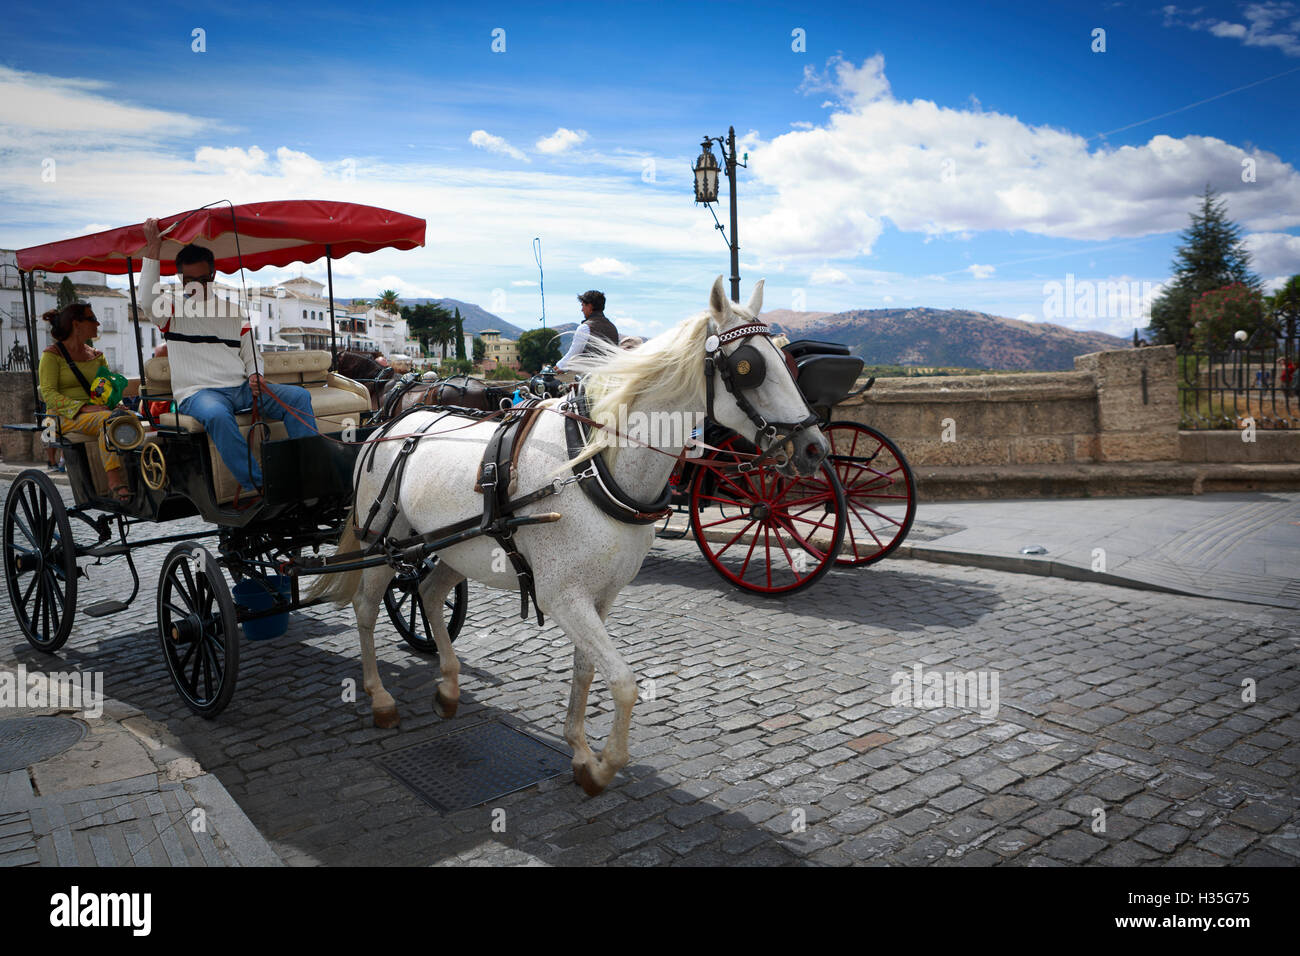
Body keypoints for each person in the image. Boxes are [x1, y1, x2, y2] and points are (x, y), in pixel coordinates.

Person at [139, 217, 317, 498]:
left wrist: (256, 374)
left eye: (202, 279)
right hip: (198, 394)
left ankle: (310, 473)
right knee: (217, 415)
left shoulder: (234, 312)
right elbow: (146, 301)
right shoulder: (169, 310)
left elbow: (251, 353)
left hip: (241, 389)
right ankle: (259, 486)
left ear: (213, 276)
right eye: (189, 280)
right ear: (180, 279)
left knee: (298, 398)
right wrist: (153, 248)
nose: (195, 286)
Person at [37, 303, 130, 500]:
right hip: (63, 417)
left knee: (129, 417)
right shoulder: (52, 356)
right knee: (108, 419)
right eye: (92, 318)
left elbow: (107, 386)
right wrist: (85, 408)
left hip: (96, 412)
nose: (97, 323)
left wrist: (116, 402)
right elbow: (49, 394)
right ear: (76, 324)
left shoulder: (96, 356)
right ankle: (114, 479)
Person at [556, 289, 619, 372]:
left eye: (583, 306)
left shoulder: (585, 327)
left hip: (591, 377)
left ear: (589, 306)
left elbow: (572, 355)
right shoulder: (613, 327)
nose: (582, 310)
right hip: (610, 375)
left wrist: (555, 368)